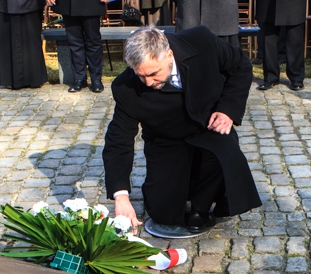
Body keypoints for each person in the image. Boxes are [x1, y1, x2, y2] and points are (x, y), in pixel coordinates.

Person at [103, 25, 261, 234]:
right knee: (163, 214)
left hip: (209, 128)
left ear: (169, 55)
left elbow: (240, 66)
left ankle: (201, 208)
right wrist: (120, 195)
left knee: (221, 152)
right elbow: (119, 139)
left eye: (153, 73)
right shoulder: (124, 88)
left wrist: (227, 110)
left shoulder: (201, 41)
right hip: (166, 141)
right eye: (141, 76)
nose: (148, 82)